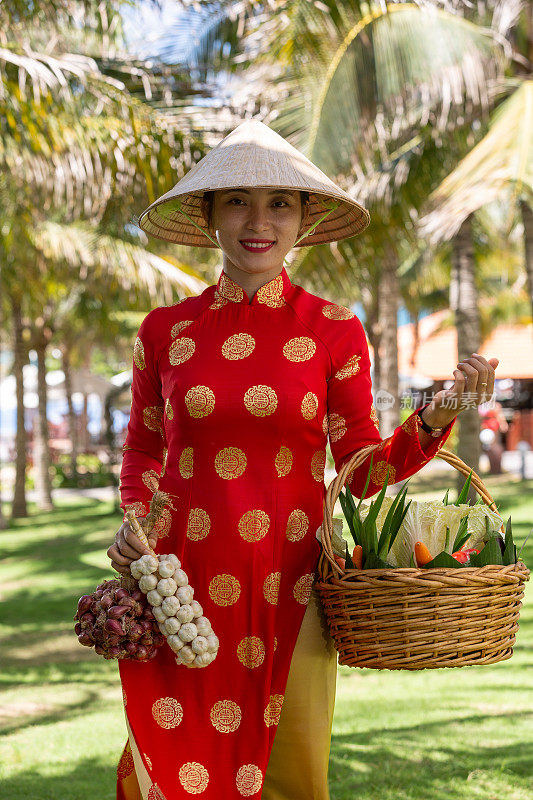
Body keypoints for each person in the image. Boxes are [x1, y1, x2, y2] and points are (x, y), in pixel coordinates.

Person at [106, 119, 499, 800]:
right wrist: (136, 523)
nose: (258, 221)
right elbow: (143, 444)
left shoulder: (333, 330)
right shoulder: (163, 331)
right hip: (179, 588)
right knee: (171, 765)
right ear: (208, 216)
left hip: (291, 585)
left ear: (303, 218)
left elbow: (360, 469)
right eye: (236, 201)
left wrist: (431, 418)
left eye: (278, 203)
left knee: (289, 771)